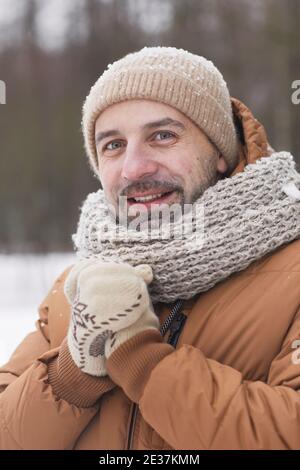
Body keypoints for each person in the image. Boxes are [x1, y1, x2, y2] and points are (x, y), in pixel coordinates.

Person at [1, 46, 300, 450]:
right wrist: (72, 372)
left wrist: (141, 360)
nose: (134, 168)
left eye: (162, 136)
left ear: (220, 154)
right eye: (113, 145)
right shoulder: (78, 285)